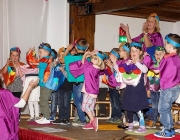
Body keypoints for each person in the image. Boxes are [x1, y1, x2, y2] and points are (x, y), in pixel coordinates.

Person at [114, 42, 149, 133]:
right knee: (128, 107)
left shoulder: (141, 62)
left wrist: (136, 62)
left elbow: (145, 70)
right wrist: (114, 63)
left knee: (138, 107)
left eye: (136, 51)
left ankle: (142, 126)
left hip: (138, 89)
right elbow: (120, 72)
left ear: (140, 52)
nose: (133, 52)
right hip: (129, 88)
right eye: (132, 50)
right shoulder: (128, 62)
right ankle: (131, 124)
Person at [70, 50, 105, 131]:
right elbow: (86, 62)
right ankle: (91, 123)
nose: (92, 59)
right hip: (93, 91)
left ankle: (93, 120)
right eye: (92, 58)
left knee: (85, 107)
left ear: (99, 61)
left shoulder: (91, 68)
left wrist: (86, 54)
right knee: (90, 107)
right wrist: (89, 55)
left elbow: (83, 62)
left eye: (95, 59)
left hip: (89, 91)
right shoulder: (96, 68)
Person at [153, 33, 180, 138]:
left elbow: (159, 70)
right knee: (167, 108)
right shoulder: (177, 58)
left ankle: (167, 130)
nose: (164, 46)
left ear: (169, 45)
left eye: (165, 44)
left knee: (163, 109)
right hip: (176, 87)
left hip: (168, 87)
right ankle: (170, 129)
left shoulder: (167, 58)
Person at [64, 38, 89, 126]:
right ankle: (85, 117)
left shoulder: (71, 58)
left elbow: (64, 59)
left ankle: (83, 120)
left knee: (78, 101)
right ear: (86, 48)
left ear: (76, 48)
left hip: (77, 83)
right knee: (84, 101)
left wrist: (67, 50)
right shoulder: (87, 58)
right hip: (86, 83)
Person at [27, 43, 52, 124]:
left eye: (40, 52)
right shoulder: (42, 60)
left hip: (46, 84)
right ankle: (44, 116)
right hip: (42, 83)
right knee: (41, 100)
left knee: (44, 101)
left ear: (47, 52)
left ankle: (47, 118)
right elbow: (32, 63)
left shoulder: (48, 59)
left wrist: (31, 56)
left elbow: (35, 63)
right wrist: (30, 53)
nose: (39, 54)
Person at [144, 47, 165, 129]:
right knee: (154, 106)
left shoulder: (165, 65)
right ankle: (153, 120)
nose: (158, 55)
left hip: (163, 90)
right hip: (153, 90)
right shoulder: (152, 66)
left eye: (160, 54)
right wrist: (148, 89)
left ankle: (163, 122)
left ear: (164, 54)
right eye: (156, 54)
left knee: (162, 107)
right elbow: (148, 80)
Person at [2, 47, 25, 118]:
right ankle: (10, 116)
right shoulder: (9, 64)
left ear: (19, 56)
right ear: (10, 56)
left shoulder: (21, 64)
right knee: (10, 102)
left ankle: (17, 116)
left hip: (18, 87)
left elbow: (23, 75)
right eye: (13, 55)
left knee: (17, 101)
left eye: (16, 55)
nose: (15, 57)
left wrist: (17, 67)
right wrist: (7, 64)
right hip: (10, 87)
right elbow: (4, 72)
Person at [52, 47, 73, 125]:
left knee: (66, 103)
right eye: (59, 55)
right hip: (60, 88)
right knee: (60, 103)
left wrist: (63, 71)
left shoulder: (69, 66)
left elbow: (69, 77)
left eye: (63, 56)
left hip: (67, 88)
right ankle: (60, 117)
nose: (60, 58)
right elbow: (55, 76)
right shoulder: (58, 65)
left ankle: (66, 118)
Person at [104, 48, 122, 124]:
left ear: (115, 56)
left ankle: (118, 117)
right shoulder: (111, 64)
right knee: (113, 103)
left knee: (117, 103)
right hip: (111, 86)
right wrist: (106, 67)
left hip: (116, 87)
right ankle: (113, 116)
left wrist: (111, 67)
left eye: (111, 54)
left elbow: (116, 75)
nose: (109, 55)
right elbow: (108, 74)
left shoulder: (119, 64)